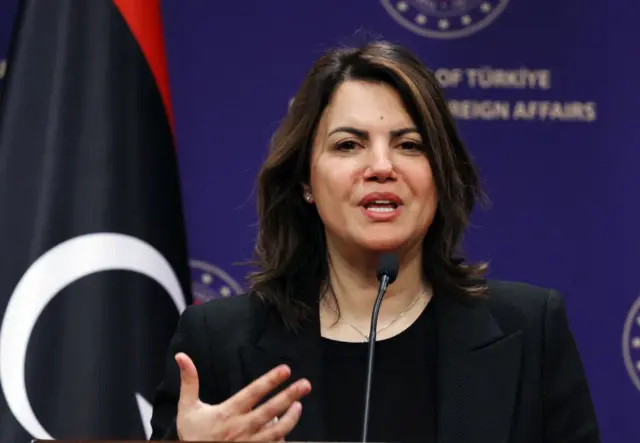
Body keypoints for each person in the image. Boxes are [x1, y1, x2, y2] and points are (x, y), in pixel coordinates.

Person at [149, 40, 601, 443]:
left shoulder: (530, 331)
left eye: (409, 145)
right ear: (306, 179)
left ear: (440, 177)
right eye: (348, 145)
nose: (382, 166)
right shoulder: (218, 344)